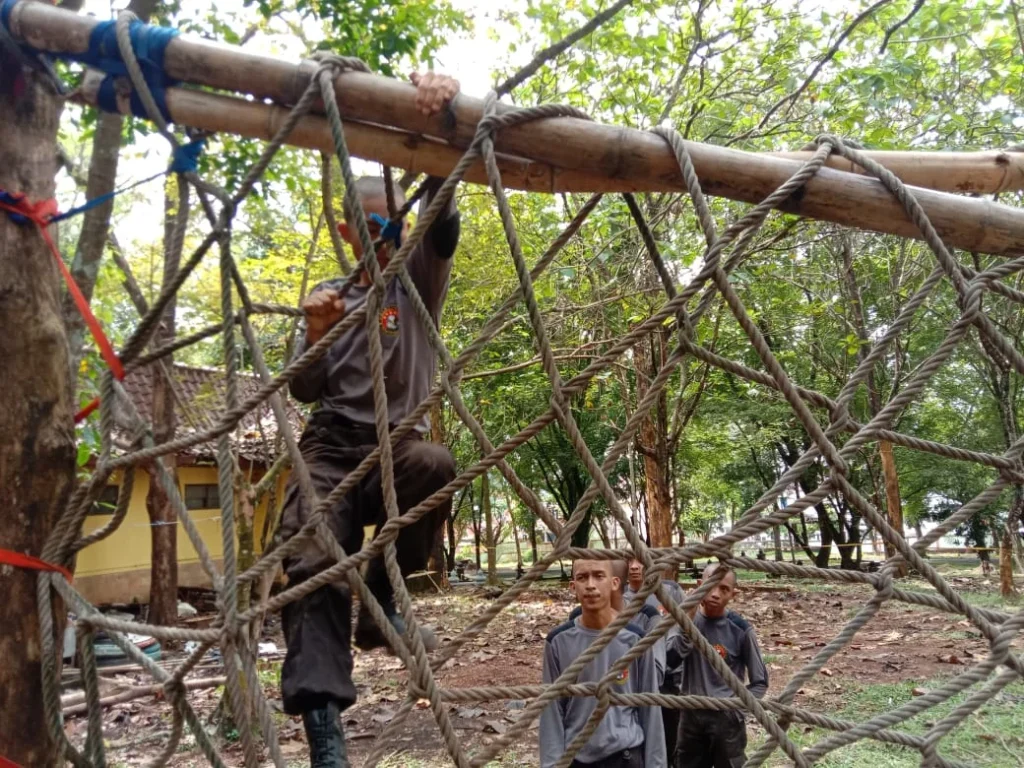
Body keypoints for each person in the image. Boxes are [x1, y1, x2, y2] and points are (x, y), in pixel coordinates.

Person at [276, 72, 462, 768]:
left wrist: (443, 111)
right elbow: (305, 390)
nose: (389, 237)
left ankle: (385, 593)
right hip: (331, 448)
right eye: (376, 227)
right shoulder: (333, 294)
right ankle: (324, 723)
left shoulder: (418, 277)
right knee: (311, 559)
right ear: (352, 227)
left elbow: (447, 213)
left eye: (397, 226)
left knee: (438, 468)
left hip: (396, 446)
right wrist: (315, 332)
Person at [542, 559, 666, 768]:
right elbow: (551, 711)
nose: (590, 585)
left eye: (599, 576)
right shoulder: (558, 641)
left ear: (614, 583)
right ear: (573, 587)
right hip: (577, 757)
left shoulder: (635, 639)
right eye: (582, 577)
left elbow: (649, 707)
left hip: (624, 755)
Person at [674, 563, 768, 768]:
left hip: (725, 719)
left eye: (724, 589)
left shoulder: (741, 630)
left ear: (733, 594)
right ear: (699, 585)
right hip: (690, 715)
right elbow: (670, 661)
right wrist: (686, 628)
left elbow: (760, 681)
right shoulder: (686, 621)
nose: (715, 593)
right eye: (711, 585)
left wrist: (736, 711)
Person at [624, 558, 686, 760]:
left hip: (669, 677)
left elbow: (688, 627)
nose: (634, 566)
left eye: (639, 560)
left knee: (669, 740)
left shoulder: (670, 591)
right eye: (629, 561)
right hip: (631, 678)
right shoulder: (617, 596)